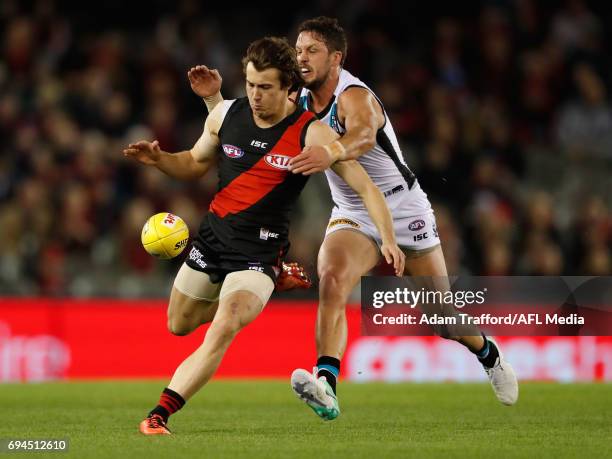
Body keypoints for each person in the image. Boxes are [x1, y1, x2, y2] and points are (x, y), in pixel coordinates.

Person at [191, 17, 518, 422]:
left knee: (441, 318)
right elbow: (253, 115)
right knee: (331, 279)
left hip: (402, 206)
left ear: (336, 58)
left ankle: (488, 352)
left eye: (312, 51)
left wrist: (332, 152)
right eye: (298, 50)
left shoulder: (354, 96)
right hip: (352, 210)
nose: (302, 58)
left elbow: (363, 136)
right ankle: (326, 382)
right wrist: (214, 99)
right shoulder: (299, 97)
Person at [124, 36, 405, 435]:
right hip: (211, 243)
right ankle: (273, 287)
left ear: (290, 88)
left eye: (266, 87)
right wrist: (158, 160)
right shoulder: (225, 114)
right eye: (251, 85)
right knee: (178, 325)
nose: (255, 96)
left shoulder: (311, 134)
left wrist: (388, 238)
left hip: (258, 255)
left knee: (225, 325)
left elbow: (365, 188)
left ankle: (159, 414)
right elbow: (191, 164)